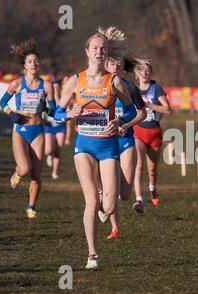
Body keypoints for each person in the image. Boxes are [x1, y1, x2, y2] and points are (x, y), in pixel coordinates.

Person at [54, 27, 137, 270]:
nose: (99, 52)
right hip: (85, 145)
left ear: (107, 53)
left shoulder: (114, 81)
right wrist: (70, 113)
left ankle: (104, 198)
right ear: (87, 52)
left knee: (109, 206)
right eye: (95, 48)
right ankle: (92, 254)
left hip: (108, 144)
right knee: (90, 201)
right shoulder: (75, 80)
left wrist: (120, 121)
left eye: (103, 49)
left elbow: (131, 110)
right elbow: (57, 113)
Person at [0, 39, 55, 219]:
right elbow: (2, 102)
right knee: (25, 169)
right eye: (30, 61)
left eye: (36, 61)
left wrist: (50, 108)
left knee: (37, 174)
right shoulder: (17, 84)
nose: (34, 64)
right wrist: (10, 113)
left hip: (38, 131)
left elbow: (52, 109)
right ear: (24, 65)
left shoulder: (46, 86)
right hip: (21, 131)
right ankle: (17, 173)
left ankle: (31, 206)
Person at [102, 53, 146, 240]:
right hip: (104, 142)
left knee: (126, 193)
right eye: (112, 62)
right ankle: (113, 224)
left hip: (126, 139)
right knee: (111, 188)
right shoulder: (98, 86)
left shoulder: (130, 87)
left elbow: (142, 114)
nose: (117, 64)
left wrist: (126, 125)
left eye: (119, 61)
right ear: (105, 65)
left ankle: (104, 197)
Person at [132, 59, 172, 213]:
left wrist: (149, 105)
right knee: (139, 164)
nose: (144, 72)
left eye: (147, 70)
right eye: (141, 70)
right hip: (138, 131)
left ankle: (152, 187)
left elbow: (168, 110)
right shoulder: (133, 89)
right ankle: (139, 199)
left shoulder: (156, 89)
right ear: (136, 72)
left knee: (152, 170)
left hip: (154, 132)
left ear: (151, 73)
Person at [44, 79, 66, 179]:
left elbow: (64, 110)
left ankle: (55, 172)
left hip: (60, 127)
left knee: (58, 149)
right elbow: (47, 112)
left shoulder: (63, 99)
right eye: (54, 87)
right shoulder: (47, 99)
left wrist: (57, 96)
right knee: (48, 150)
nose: (56, 89)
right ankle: (49, 155)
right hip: (49, 127)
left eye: (57, 87)